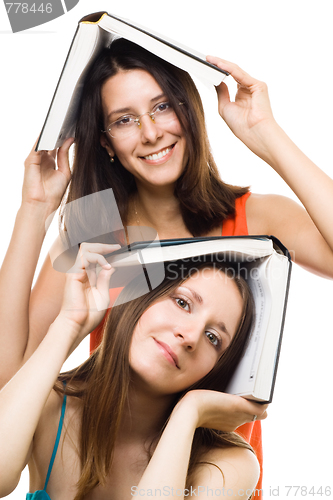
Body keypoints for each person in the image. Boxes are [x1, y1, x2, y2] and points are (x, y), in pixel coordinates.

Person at [0, 35, 332, 494]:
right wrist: (33, 212)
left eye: (161, 107)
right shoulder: (100, 227)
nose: (151, 133)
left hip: (211, 478)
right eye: (125, 120)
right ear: (107, 142)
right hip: (106, 469)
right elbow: (10, 378)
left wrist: (265, 133)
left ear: (188, 109)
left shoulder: (254, 216)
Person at [0, 248, 268, 500]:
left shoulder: (229, 464)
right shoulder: (50, 404)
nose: (190, 336)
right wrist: (69, 324)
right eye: (182, 303)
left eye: (213, 338)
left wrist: (188, 413)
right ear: (141, 294)